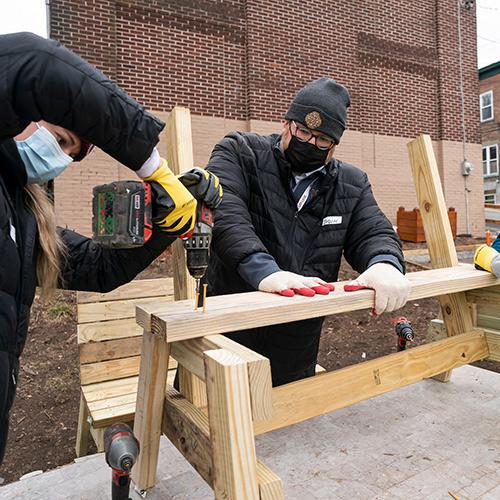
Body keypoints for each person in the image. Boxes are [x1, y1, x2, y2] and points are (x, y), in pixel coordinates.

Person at [0, 32, 222, 465]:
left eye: (67, 149)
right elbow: (32, 60)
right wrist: (155, 168)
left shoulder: (24, 215)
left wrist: (163, 219)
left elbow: (94, 267)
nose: (57, 153)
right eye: (59, 136)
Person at [204, 77, 410, 386]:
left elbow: (372, 231)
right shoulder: (240, 152)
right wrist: (264, 271)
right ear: (286, 123)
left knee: (288, 415)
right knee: (213, 408)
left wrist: (385, 263)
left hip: (297, 331)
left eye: (322, 140)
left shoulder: (351, 184)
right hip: (231, 316)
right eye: (303, 131)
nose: (310, 144)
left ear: (335, 144)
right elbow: (226, 211)